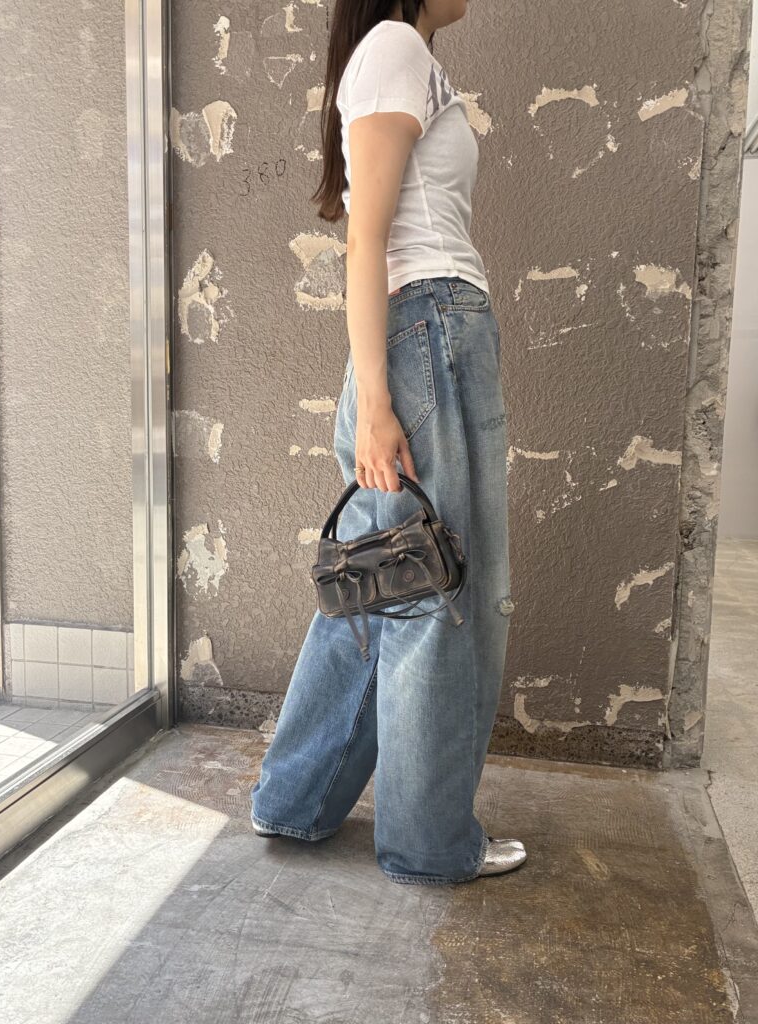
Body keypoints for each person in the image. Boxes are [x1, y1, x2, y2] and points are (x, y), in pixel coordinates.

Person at [249, 0, 526, 884]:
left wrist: (380, 388)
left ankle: (295, 801)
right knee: (443, 595)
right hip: (429, 338)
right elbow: (364, 242)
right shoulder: (397, 46)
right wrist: (375, 401)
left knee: (380, 589)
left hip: (416, 342)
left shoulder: (397, 54)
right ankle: (429, 845)